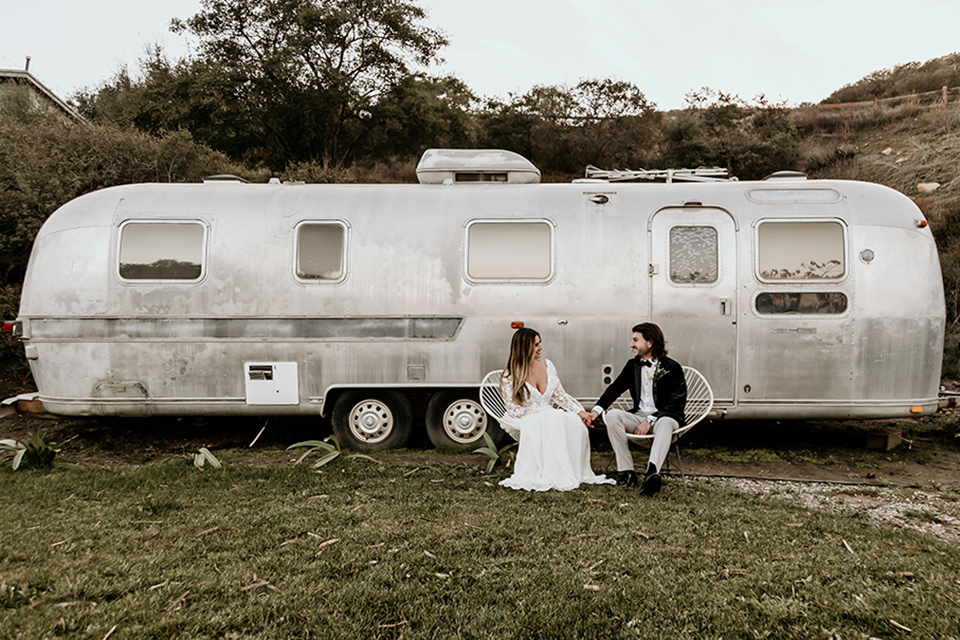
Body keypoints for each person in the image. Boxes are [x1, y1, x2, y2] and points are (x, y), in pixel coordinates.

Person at [498, 328, 615, 492]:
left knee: (573, 421)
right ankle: (551, 472)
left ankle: (570, 470)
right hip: (527, 417)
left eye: (540, 343)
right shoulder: (509, 376)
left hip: (549, 414)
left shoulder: (548, 365)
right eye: (536, 345)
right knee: (553, 419)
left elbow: (561, 396)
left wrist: (580, 412)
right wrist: (541, 415)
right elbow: (512, 409)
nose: (541, 348)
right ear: (524, 348)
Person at [583, 323, 686, 495]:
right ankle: (628, 473)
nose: (631, 345)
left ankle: (651, 475)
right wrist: (596, 411)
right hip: (638, 416)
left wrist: (650, 419)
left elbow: (677, 403)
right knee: (613, 415)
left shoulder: (672, 368)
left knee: (666, 422)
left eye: (635, 340)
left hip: (665, 418)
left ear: (650, 342)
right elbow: (614, 389)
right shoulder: (633, 365)